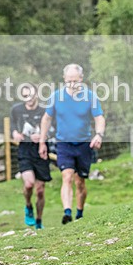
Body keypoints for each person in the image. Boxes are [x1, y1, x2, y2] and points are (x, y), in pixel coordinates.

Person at [39, 64, 105, 225]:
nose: (72, 84)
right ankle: (67, 212)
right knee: (66, 176)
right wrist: (42, 141)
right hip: (64, 144)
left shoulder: (90, 96)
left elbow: (99, 118)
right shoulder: (56, 96)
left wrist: (99, 135)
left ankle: (79, 213)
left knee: (80, 182)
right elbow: (46, 119)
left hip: (84, 145)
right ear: (64, 79)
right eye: (69, 81)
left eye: (75, 81)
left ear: (81, 79)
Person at [11, 83, 52, 230]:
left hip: (41, 151)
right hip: (25, 151)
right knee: (29, 184)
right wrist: (15, 134)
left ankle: (39, 220)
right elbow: (12, 127)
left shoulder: (45, 111)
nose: (28, 98)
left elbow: (53, 130)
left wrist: (42, 137)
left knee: (40, 190)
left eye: (31, 95)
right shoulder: (16, 110)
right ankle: (28, 206)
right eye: (25, 95)